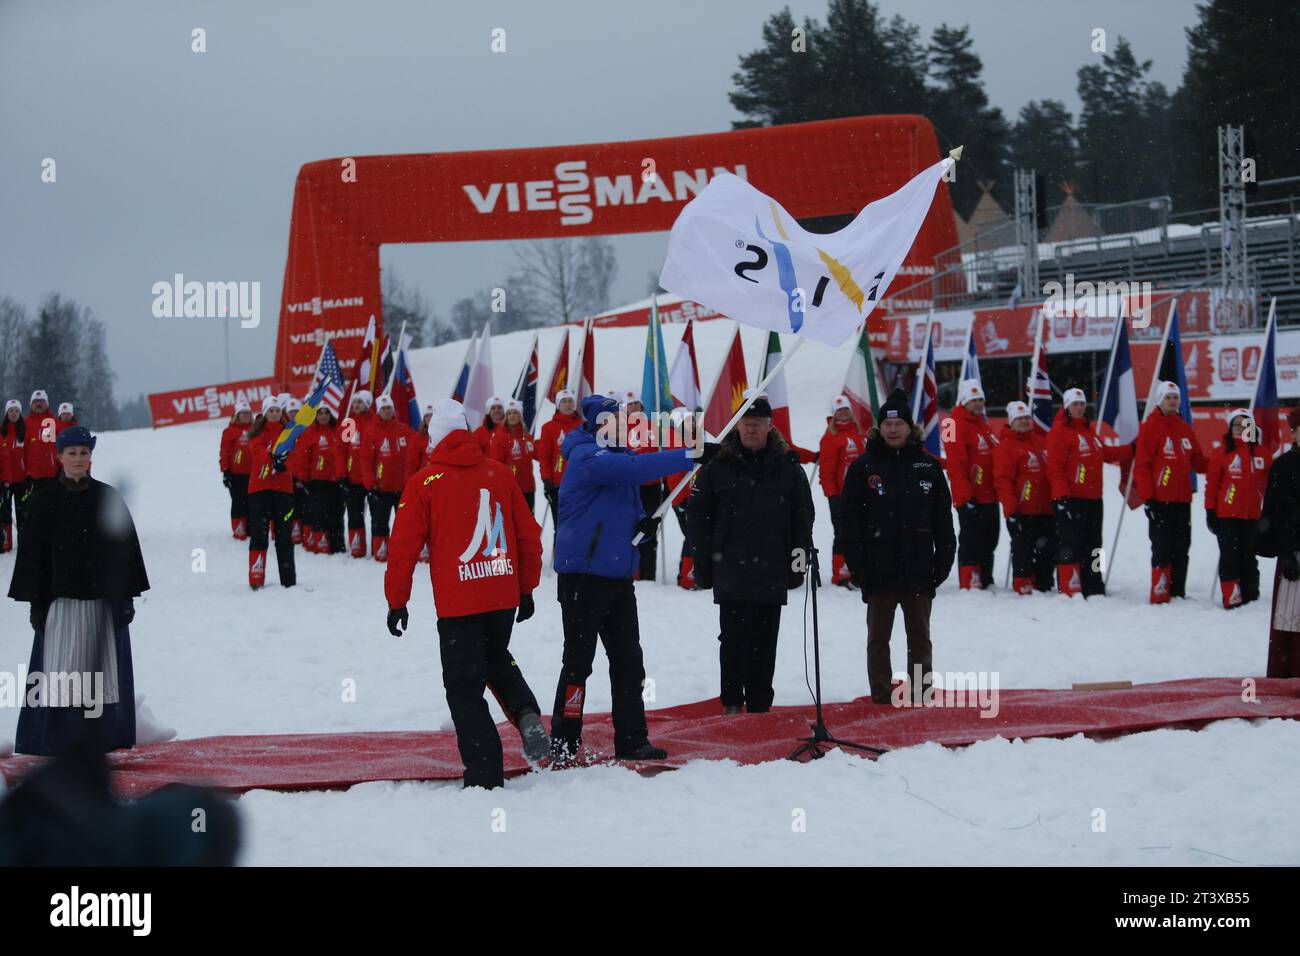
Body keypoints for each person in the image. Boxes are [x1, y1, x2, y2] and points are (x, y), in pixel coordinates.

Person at [384, 400, 550, 789]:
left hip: (459, 600)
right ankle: (525, 712)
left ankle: (484, 774)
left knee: (464, 686)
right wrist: (526, 588)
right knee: (495, 658)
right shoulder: (499, 473)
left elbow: (403, 549)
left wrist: (397, 601)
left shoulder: (424, 483)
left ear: (435, 439)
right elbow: (529, 537)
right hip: (501, 590)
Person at [549, 394, 707, 763]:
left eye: (618, 419)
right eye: (608, 420)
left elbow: (627, 506)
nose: (615, 424)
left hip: (617, 576)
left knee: (628, 661)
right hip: (583, 577)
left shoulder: (618, 459)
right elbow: (635, 469)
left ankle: (633, 738)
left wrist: (643, 528)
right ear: (593, 424)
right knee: (578, 662)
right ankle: (564, 740)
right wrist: (690, 454)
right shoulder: (587, 456)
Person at [7, 426, 150, 755]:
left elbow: (124, 549)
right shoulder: (45, 502)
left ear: (91, 457)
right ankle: (55, 739)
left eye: (84, 453)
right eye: (72, 453)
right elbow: (35, 558)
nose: (78, 459)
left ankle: (102, 739)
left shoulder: (107, 497)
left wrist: (125, 597)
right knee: (59, 673)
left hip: (100, 603)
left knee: (102, 672)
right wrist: (37, 604)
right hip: (61, 604)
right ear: (60, 456)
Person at [687, 397, 813, 714]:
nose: (752, 429)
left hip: (772, 570)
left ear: (770, 426)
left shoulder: (788, 468)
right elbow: (698, 520)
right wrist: (702, 568)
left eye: (758, 423)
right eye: (746, 423)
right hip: (730, 570)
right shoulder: (717, 467)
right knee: (731, 643)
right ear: (737, 426)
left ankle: (760, 707)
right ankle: (731, 703)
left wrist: (798, 566)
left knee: (764, 644)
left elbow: (803, 520)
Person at [840, 389, 955, 705]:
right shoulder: (864, 468)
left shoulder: (928, 467)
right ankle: (881, 694)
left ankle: (920, 693)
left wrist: (941, 565)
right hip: (878, 572)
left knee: (920, 638)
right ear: (880, 428)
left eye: (899, 424)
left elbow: (944, 522)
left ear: (909, 427)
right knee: (878, 639)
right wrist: (859, 567)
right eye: (887, 425)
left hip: (919, 570)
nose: (893, 430)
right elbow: (848, 522)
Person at [1047, 387, 1133, 597]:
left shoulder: (1087, 430)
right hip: (1071, 498)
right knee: (1071, 543)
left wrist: (1132, 449)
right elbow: (1055, 467)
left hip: (1094, 499)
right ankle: (1070, 586)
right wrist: (1061, 497)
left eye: (1082, 404)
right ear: (1066, 407)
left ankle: (1094, 583)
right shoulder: (1059, 431)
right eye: (1075, 404)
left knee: (1095, 544)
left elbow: (1106, 453)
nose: (1079, 407)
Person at [1134, 381, 1208, 603]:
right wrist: (1148, 499)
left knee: (1182, 547)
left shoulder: (1184, 428)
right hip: (1160, 501)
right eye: (1168, 397)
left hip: (1182, 499)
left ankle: (1178, 592)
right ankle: (1160, 592)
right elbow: (1142, 466)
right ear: (1159, 400)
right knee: (1162, 547)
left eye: (1176, 397)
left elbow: (1198, 461)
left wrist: (1224, 461)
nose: (1173, 401)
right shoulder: (1149, 427)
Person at [1206, 408, 1271, 609]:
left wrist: (1268, 512)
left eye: (1245, 425)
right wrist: (1210, 511)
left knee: (1249, 557)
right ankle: (1231, 597)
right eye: (1237, 425)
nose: (1241, 428)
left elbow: (1270, 485)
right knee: (1229, 557)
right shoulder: (1222, 452)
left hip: (1252, 516)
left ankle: (1250, 594)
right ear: (1230, 427)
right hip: (1227, 516)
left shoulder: (1262, 454)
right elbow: (1212, 485)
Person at [993, 401, 1056, 594]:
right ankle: (1023, 583)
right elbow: (1003, 481)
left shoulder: (1040, 441)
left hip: (1045, 509)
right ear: (1011, 422)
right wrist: (1011, 510)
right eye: (1019, 419)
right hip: (1022, 510)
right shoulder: (1005, 447)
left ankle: (1044, 582)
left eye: (1026, 418)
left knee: (1047, 549)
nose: (1024, 422)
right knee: (1023, 550)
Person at [944, 379, 1000, 589]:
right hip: (971, 496)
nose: (978, 403)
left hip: (989, 495)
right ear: (964, 401)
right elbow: (955, 465)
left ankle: (986, 577)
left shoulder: (983, 425)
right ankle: (970, 580)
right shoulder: (952, 423)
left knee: (989, 540)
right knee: (971, 541)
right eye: (973, 400)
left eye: (980, 400)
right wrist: (964, 496)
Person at [1257, 407, 1300, 677]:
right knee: (1291, 621)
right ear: (1294, 432)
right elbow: (1275, 513)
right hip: (1294, 553)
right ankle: (1290, 673)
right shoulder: (1284, 466)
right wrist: (1284, 552)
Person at [245, 395, 296, 590]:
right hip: (259, 490)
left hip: (284, 491)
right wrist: (273, 457)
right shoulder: (256, 433)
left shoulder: (289, 432)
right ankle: (256, 577)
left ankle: (288, 578)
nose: (274, 414)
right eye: (271, 410)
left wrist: (285, 464)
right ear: (265, 413)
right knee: (259, 534)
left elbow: (295, 457)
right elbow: (257, 453)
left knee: (284, 535)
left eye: (277, 410)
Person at [361, 394, 416, 562]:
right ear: (378, 411)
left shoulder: (404, 430)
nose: (386, 411)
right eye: (383, 408)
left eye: (388, 408)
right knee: (380, 522)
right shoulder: (371, 432)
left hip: (402, 488)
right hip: (380, 488)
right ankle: (380, 551)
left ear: (393, 410)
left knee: (405, 523)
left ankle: (404, 552)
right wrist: (371, 485)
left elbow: (414, 454)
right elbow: (366, 460)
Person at [818, 395, 866, 587]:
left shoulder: (860, 433)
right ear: (834, 414)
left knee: (861, 532)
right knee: (843, 533)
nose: (843, 413)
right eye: (839, 410)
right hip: (840, 495)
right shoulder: (830, 437)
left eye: (846, 409)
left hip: (862, 494)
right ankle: (840, 573)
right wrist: (831, 495)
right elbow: (827, 470)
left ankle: (859, 569)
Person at [299, 405, 345, 554]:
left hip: (336, 481)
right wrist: (304, 479)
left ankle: (338, 545)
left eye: (326, 413)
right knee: (319, 514)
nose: (323, 416)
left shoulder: (338, 431)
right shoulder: (309, 433)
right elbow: (303, 457)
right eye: (320, 413)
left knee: (337, 514)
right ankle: (321, 545)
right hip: (318, 481)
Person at [537, 388, 582, 532]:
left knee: (580, 525)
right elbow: (544, 456)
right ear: (558, 405)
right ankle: (561, 554)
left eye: (570, 401)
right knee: (561, 526)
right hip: (558, 485)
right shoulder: (549, 428)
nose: (568, 404)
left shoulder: (583, 426)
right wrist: (547, 480)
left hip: (581, 484)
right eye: (564, 401)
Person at [341, 389, 375, 558]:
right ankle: (357, 546)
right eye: (355, 402)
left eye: (360, 402)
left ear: (367, 404)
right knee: (354, 514)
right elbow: (341, 451)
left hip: (372, 479)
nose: (356, 405)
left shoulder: (374, 422)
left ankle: (379, 547)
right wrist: (342, 475)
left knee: (376, 516)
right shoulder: (349, 423)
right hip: (353, 479)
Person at [488, 399, 538, 511]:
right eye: (509, 413)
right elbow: (496, 463)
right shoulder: (500, 436)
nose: (512, 416)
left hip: (528, 488)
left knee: (529, 522)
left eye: (515, 413)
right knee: (515, 523)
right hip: (511, 488)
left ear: (520, 415)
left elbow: (537, 453)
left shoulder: (526, 435)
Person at [218, 401, 253, 540]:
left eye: (247, 413)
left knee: (252, 502)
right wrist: (225, 471)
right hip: (236, 474)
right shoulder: (229, 431)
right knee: (238, 502)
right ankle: (239, 528)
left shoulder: (255, 429)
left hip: (253, 473)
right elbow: (224, 452)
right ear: (237, 415)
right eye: (242, 413)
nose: (245, 416)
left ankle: (251, 528)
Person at [23, 390, 60, 512]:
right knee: (32, 511)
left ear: (47, 404)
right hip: (31, 477)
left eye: (42, 401)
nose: (39, 404)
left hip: (51, 476)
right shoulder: (24, 423)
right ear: (31, 404)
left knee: (51, 510)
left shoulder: (54, 422)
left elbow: (62, 447)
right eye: (36, 402)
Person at [0, 399, 25, 552]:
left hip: (22, 479)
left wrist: (30, 475)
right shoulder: (2, 431)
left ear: (20, 413)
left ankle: (23, 541)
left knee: (22, 512)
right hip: (5, 480)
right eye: (11, 411)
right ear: (6, 413)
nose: (14, 413)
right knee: (5, 513)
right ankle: (6, 542)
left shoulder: (25, 430)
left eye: (16, 411)